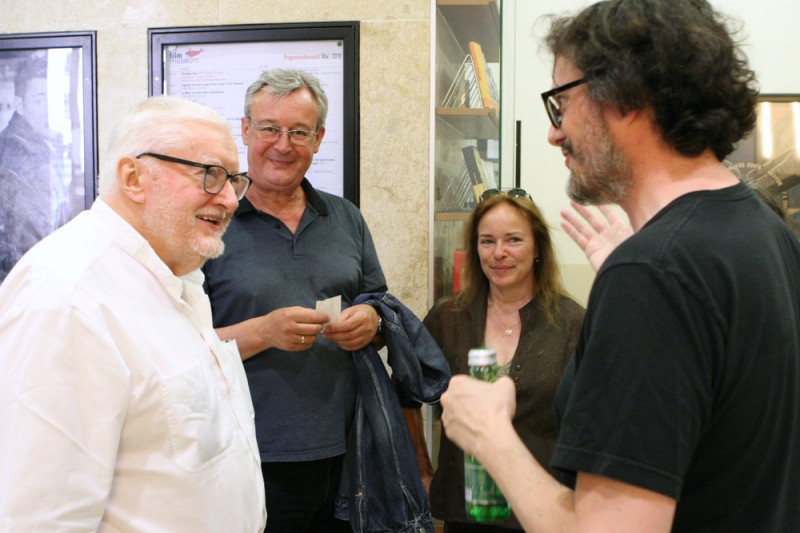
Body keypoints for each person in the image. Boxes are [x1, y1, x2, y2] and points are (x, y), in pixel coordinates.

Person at [439, 1, 800, 532]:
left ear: (627, 96)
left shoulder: (653, 273)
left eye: (561, 103)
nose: (554, 134)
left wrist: (488, 434)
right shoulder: (767, 235)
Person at [0, 95, 266, 532]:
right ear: (133, 177)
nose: (231, 201)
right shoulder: (66, 298)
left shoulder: (177, 275)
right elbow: (39, 518)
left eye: (234, 180)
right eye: (209, 175)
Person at [202, 69, 405, 532]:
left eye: (299, 131)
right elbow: (172, 343)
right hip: (245, 456)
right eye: (270, 128)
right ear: (246, 130)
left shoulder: (345, 217)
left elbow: (376, 296)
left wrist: (371, 318)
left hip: (350, 453)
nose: (283, 144)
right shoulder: (210, 219)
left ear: (319, 139)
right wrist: (262, 332)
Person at [424, 188, 585, 532]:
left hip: (543, 510)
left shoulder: (574, 323)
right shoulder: (447, 317)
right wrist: (421, 467)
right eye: (487, 241)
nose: (499, 253)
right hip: (462, 513)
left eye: (513, 240)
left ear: (538, 248)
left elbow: (592, 422)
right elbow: (405, 393)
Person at [0, 59, 57, 282]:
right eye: (39, 100)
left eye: (49, 99)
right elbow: (31, 238)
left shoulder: (36, 146)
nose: (47, 110)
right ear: (20, 104)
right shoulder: (20, 152)